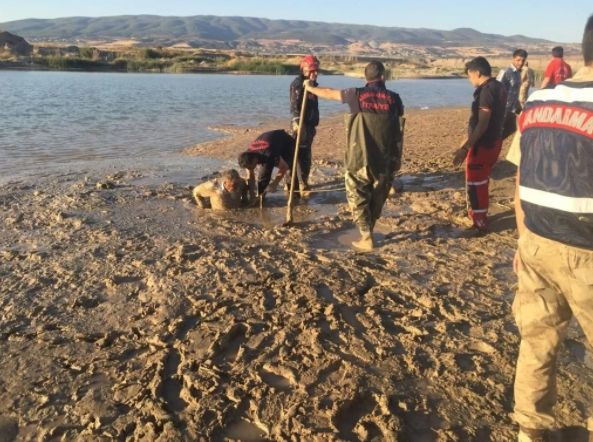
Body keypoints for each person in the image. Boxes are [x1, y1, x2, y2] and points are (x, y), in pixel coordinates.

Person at [506, 15, 593, 442]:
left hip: (537, 240)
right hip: (586, 249)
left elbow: (521, 179)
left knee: (536, 342)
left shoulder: (538, 102)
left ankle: (530, 429)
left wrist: (523, 240)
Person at [304, 61, 404, 251]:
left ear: (365, 78)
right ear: (383, 77)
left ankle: (366, 236)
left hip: (360, 157)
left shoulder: (356, 94)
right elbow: (398, 126)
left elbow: (330, 93)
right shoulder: (395, 99)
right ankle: (370, 228)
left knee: (356, 192)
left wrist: (310, 88)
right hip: (385, 159)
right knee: (378, 193)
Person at [452, 56, 507, 234]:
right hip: (493, 140)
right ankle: (479, 214)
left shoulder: (487, 91)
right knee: (481, 180)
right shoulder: (499, 86)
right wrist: (467, 139)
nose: (470, 80)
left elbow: (483, 123)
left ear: (477, 72)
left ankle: (479, 221)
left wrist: (466, 148)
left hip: (484, 144)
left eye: (470, 76)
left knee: (476, 182)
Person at [238, 129, 297, 203]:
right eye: (247, 167)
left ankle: (293, 193)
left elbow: (284, 167)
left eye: (250, 167)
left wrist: (275, 183)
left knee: (286, 168)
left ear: (254, 159)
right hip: (270, 141)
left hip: (287, 143)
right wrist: (253, 192)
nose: (250, 169)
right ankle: (262, 195)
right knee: (263, 178)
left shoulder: (269, 154)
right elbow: (251, 175)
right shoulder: (248, 155)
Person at [290, 55, 320, 196]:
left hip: (310, 125)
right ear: (304, 70)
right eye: (311, 71)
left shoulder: (312, 84)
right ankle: (295, 184)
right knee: (298, 154)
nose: (314, 74)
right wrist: (296, 122)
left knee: (306, 154)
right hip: (301, 124)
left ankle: (304, 181)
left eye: (316, 71)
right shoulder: (298, 84)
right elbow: (294, 105)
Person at [497, 49, 527, 139]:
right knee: (497, 133)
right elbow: (496, 89)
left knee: (511, 129)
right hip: (502, 109)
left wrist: (519, 106)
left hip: (512, 109)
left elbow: (514, 91)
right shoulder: (505, 72)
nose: (520, 63)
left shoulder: (518, 74)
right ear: (513, 59)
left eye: (523, 60)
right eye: (518, 60)